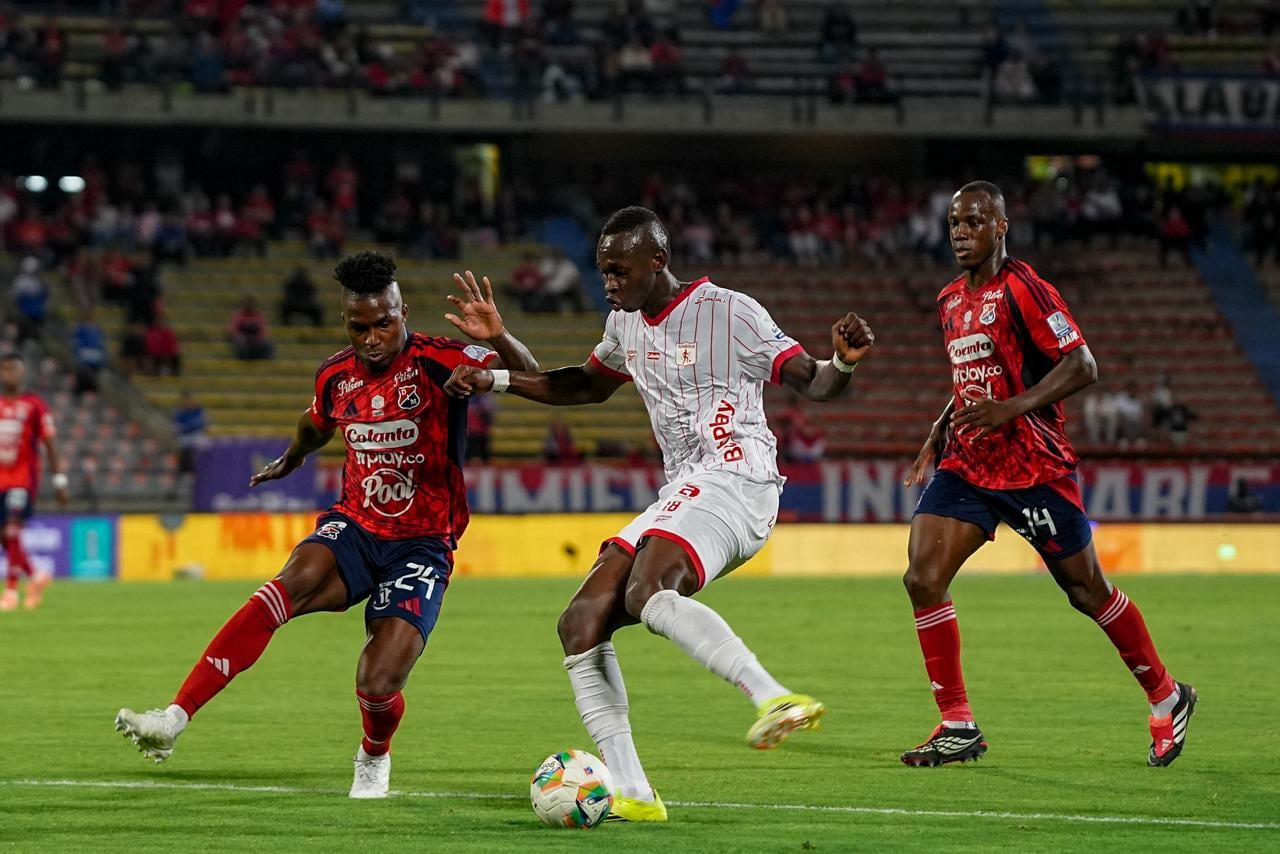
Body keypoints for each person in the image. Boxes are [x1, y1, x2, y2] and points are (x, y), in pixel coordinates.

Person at [444, 206, 874, 822]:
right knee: (580, 622)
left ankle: (774, 697)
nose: (609, 283)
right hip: (687, 489)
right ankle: (634, 793)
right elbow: (584, 385)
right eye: (602, 271)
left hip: (741, 477)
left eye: (619, 270)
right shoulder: (624, 324)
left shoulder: (732, 312)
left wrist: (845, 362)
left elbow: (815, 382)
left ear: (658, 261)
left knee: (648, 588)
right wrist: (498, 380)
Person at [115, 252, 538, 798]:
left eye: (384, 322)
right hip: (356, 528)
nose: (372, 337)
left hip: (423, 543)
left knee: (377, 681)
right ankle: (174, 717)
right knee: (287, 583)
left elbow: (534, 374)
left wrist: (499, 341)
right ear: (345, 322)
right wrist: (292, 458)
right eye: (358, 326)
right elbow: (315, 425)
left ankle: (373, 755)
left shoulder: (442, 359)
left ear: (402, 310)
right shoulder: (336, 375)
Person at [900, 181, 1196, 769]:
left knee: (1086, 591)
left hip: (1033, 465)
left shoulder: (1024, 289)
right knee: (922, 575)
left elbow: (1082, 365)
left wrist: (1010, 409)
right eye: (955, 222)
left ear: (1001, 227)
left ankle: (1167, 697)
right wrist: (940, 426)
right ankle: (958, 722)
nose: (961, 232)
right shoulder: (949, 300)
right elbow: (974, 378)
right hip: (971, 463)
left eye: (975, 222)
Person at [0, 353, 70, 612]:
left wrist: (60, 481)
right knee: (4, 536)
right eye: (5, 369)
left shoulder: (34, 405)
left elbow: (49, 443)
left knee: (12, 529)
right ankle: (36, 575)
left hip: (23, 478)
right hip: (0, 479)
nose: (10, 374)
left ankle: (10, 593)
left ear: (23, 373)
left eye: (14, 369)